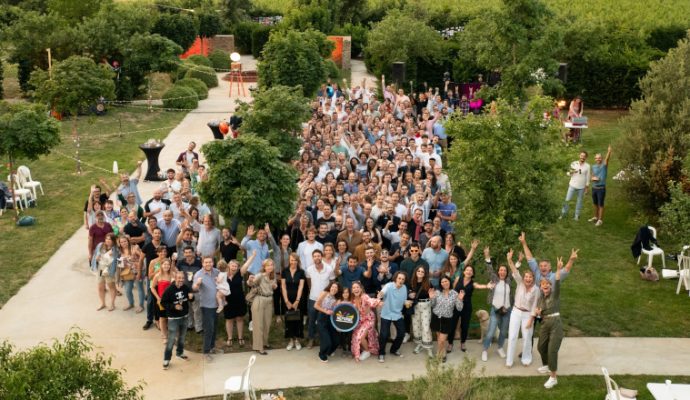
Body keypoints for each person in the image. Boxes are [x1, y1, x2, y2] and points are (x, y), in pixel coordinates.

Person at [536, 257, 566, 389]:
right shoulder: (541, 298)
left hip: (555, 324)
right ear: (541, 287)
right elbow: (539, 312)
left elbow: (557, 282)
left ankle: (553, 377)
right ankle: (547, 365)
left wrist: (558, 270)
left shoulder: (555, 294)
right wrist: (538, 313)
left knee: (552, 350)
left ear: (550, 286)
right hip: (545, 323)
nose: (546, 286)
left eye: (548, 285)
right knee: (541, 347)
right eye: (543, 285)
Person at [506, 249, 539, 368]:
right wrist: (509, 260)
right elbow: (514, 271)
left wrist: (531, 319)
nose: (528, 279)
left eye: (530, 277)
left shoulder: (536, 290)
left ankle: (526, 359)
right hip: (515, 312)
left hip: (528, 315)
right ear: (523, 278)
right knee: (512, 336)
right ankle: (509, 361)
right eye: (526, 277)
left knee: (527, 337)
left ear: (533, 279)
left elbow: (535, 306)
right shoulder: (520, 283)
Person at [451, 264, 492, 352]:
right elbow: (453, 290)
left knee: (465, 326)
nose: (469, 272)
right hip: (456, 305)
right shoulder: (458, 278)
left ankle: (463, 343)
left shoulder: (473, 283)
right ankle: (450, 344)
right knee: (453, 324)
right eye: (467, 270)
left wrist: (486, 286)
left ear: (472, 273)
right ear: (464, 271)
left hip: (467, 306)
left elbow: (479, 286)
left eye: (471, 271)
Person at [480, 247, 509, 363]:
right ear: (498, 272)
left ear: (507, 273)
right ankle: (485, 350)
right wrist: (487, 256)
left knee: (503, 331)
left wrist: (516, 261)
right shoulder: (494, 279)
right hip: (495, 310)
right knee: (491, 331)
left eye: (504, 271)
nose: (502, 272)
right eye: (501, 270)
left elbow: (515, 270)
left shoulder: (509, 281)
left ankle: (500, 348)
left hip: (507, 310)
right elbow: (489, 269)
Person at [161, 271, 193, 370]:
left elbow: (190, 298)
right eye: (179, 278)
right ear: (175, 278)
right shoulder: (169, 290)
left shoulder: (185, 287)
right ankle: (166, 359)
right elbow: (163, 303)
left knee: (182, 337)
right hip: (173, 319)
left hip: (184, 316)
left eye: (182, 278)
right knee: (171, 340)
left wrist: (192, 297)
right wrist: (174, 306)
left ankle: (179, 353)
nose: (181, 280)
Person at [245, 258, 278, 355]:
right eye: (268, 265)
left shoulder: (272, 276)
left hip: (269, 300)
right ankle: (259, 347)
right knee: (258, 324)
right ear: (264, 267)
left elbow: (273, 286)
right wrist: (249, 280)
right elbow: (251, 283)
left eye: (271, 265)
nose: (270, 267)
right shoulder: (260, 275)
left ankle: (265, 343)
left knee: (267, 324)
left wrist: (274, 286)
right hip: (259, 300)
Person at [193, 256, 223, 361]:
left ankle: (212, 348)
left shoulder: (217, 272)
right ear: (202, 263)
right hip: (206, 306)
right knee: (208, 329)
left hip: (216, 305)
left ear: (213, 263)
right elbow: (194, 288)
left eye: (210, 262)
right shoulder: (198, 274)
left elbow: (223, 283)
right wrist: (197, 284)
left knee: (214, 328)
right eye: (206, 262)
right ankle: (206, 352)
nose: (208, 264)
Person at [224, 252, 256, 349]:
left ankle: (240, 337)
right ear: (229, 266)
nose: (234, 267)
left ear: (238, 267)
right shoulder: (223, 275)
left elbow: (247, 264)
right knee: (229, 320)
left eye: (236, 266)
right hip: (228, 301)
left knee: (239, 319)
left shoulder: (240, 273)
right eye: (232, 265)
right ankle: (229, 338)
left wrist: (253, 256)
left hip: (239, 300)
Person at [429, 276, 464, 362]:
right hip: (436, 318)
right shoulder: (437, 292)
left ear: (449, 282)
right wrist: (431, 298)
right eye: (442, 282)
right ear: (440, 284)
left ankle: (438, 354)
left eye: (446, 281)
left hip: (447, 320)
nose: (444, 283)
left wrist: (460, 299)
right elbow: (432, 305)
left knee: (442, 340)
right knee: (439, 338)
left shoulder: (455, 294)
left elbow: (459, 308)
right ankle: (443, 352)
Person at [305, 249, 335, 349]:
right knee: (311, 320)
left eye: (318, 256)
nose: (317, 258)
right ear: (312, 258)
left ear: (321, 257)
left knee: (324, 320)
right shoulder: (309, 269)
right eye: (315, 256)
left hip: (326, 300)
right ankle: (311, 339)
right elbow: (309, 281)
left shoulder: (329, 268)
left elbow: (332, 282)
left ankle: (325, 339)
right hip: (313, 298)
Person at [377, 271, 408, 363]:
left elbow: (404, 301)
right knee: (384, 335)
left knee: (402, 333)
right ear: (395, 278)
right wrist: (380, 295)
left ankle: (394, 349)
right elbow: (382, 293)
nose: (401, 280)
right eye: (399, 278)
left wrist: (407, 302)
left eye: (403, 279)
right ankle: (381, 353)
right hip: (386, 313)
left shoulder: (404, 288)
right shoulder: (389, 285)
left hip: (397, 314)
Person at [350, 281, 381, 362]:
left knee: (361, 337)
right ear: (352, 290)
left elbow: (371, 301)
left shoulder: (364, 296)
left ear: (361, 289)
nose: (356, 289)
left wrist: (378, 302)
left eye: (357, 287)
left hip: (369, 319)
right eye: (354, 288)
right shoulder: (352, 300)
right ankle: (363, 349)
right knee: (356, 336)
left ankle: (367, 351)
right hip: (360, 321)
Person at [282, 253, 306, 351]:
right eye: (292, 260)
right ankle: (291, 340)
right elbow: (283, 286)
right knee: (289, 320)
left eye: (295, 260)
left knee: (297, 319)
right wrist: (286, 300)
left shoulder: (301, 272)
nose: (293, 262)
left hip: (298, 299)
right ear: (289, 261)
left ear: (298, 261)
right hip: (287, 299)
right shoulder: (285, 271)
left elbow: (301, 286)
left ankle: (297, 340)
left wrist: (297, 300)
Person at [176, 246, 203, 333]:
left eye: (189, 252)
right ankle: (189, 325)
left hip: (196, 290)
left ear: (193, 253)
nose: (188, 254)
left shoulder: (199, 263)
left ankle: (198, 327)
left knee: (197, 310)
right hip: (184, 290)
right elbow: (176, 274)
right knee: (187, 309)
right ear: (184, 254)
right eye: (186, 252)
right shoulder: (180, 263)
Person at [314, 281, 342, 362]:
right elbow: (316, 305)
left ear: (338, 290)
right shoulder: (324, 293)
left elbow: (335, 312)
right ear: (330, 287)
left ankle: (328, 351)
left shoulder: (337, 299)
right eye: (332, 286)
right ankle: (321, 354)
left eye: (336, 287)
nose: (334, 288)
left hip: (330, 320)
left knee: (336, 340)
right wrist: (325, 311)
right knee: (327, 341)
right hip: (321, 318)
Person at [91, 233, 119, 311]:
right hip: (101, 269)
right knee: (100, 287)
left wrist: (105, 256)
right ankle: (102, 303)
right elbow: (96, 255)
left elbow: (114, 261)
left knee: (111, 286)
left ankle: (112, 304)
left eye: (109, 239)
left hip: (109, 270)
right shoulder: (100, 245)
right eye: (106, 238)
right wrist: (96, 259)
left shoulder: (115, 249)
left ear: (113, 241)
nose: (107, 240)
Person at [560, 151, 590, 221]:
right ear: (579, 156)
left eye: (584, 156)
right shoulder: (574, 163)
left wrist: (587, 187)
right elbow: (568, 173)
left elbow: (588, 177)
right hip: (572, 185)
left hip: (581, 187)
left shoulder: (587, 166)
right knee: (567, 200)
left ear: (586, 157)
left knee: (579, 201)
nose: (582, 157)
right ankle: (563, 213)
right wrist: (571, 172)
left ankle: (576, 216)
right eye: (581, 155)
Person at [117, 235, 144, 312]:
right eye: (121, 242)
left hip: (137, 271)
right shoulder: (120, 251)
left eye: (125, 241)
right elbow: (119, 262)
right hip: (127, 273)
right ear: (119, 243)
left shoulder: (135, 248)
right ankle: (131, 303)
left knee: (140, 288)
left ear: (128, 241)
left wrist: (138, 267)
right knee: (127, 289)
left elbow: (142, 257)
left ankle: (141, 305)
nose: (123, 243)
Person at [151, 258, 174, 343]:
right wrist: (157, 297)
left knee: (171, 318)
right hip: (161, 301)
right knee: (163, 318)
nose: (166, 266)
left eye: (168, 264)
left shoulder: (173, 275)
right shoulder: (158, 275)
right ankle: (164, 336)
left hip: (171, 301)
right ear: (161, 265)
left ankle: (171, 334)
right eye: (164, 264)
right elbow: (152, 287)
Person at [589, 145, 612, 226]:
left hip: (601, 188)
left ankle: (600, 220)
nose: (598, 159)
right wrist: (592, 178)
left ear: (601, 159)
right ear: (595, 159)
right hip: (594, 188)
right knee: (595, 203)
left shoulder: (604, 166)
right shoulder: (593, 166)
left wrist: (609, 151)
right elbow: (591, 176)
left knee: (600, 204)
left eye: (599, 158)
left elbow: (607, 159)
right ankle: (595, 217)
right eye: (596, 158)